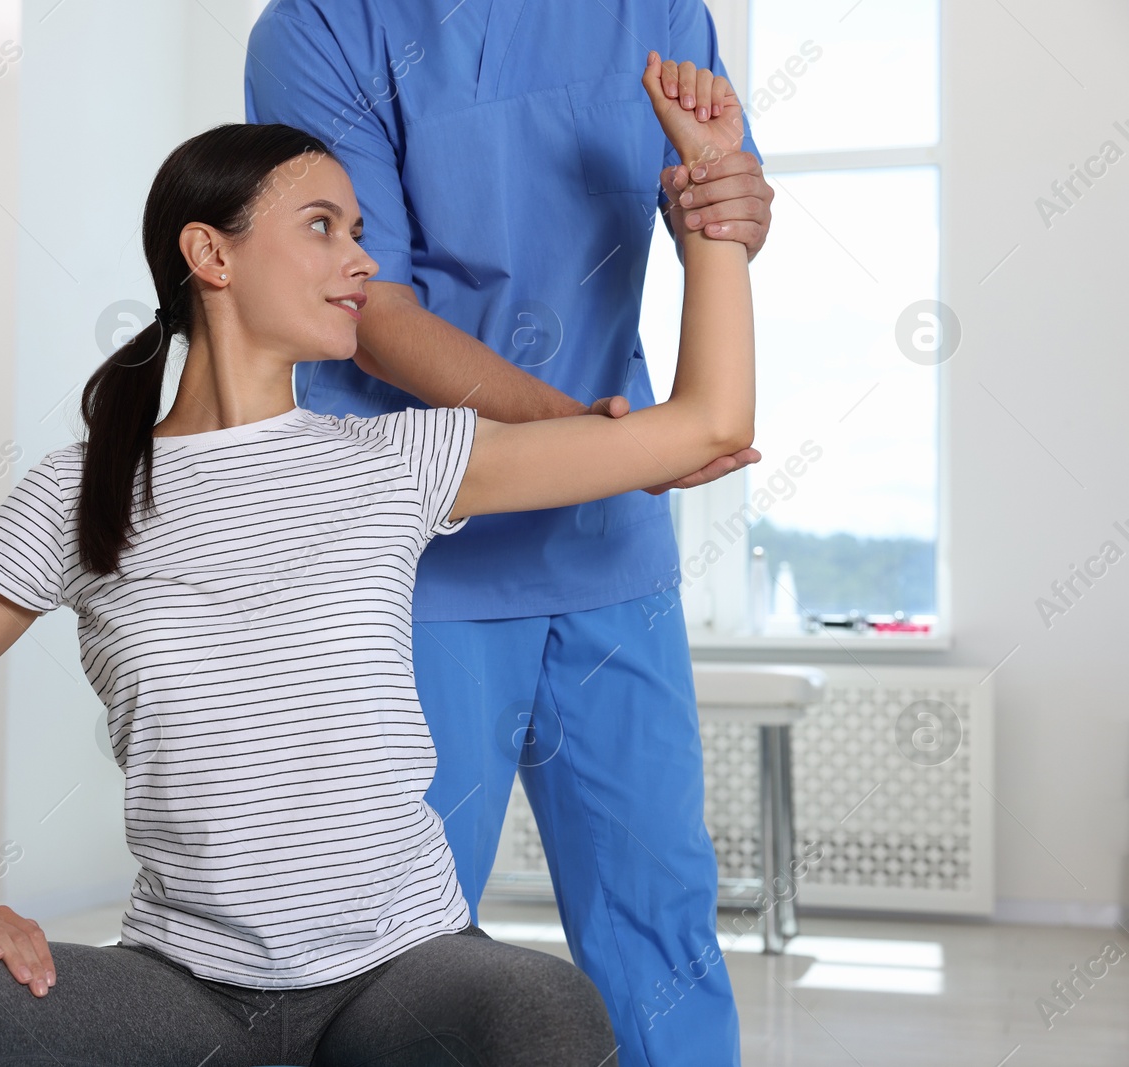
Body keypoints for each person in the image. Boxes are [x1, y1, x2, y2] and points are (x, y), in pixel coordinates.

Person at [0, 51, 750, 1067]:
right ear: (210, 255)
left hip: (400, 977)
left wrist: (710, 205)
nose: (359, 259)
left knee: (540, 1012)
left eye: (359, 232)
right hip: (184, 993)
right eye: (322, 227)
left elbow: (704, 426)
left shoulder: (401, 457)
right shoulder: (78, 492)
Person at [244, 4, 774, 1064]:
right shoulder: (320, 29)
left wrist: (735, 200)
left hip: (609, 547)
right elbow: (365, 302)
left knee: (658, 914)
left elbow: (718, 203)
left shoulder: (658, 13)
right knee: (404, 947)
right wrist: (587, 443)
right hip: (421, 542)